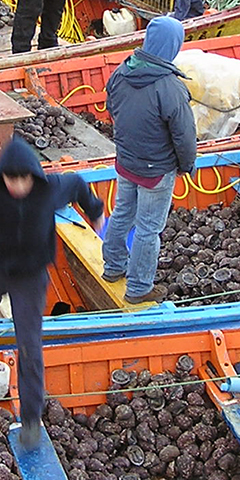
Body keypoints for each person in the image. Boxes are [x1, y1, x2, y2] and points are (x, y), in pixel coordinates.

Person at [0, 136, 105, 449]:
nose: (16, 185)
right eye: (10, 178)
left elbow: (79, 184)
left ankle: (30, 418)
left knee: (30, 346)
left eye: (22, 178)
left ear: (34, 176)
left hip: (30, 276)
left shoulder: (52, 189)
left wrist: (94, 210)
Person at [101, 16, 197, 304]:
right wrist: (186, 165)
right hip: (156, 170)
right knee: (148, 229)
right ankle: (139, 287)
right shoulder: (170, 87)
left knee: (122, 214)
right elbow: (184, 135)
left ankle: (113, 267)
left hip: (126, 162)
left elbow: (112, 108)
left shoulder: (121, 71)